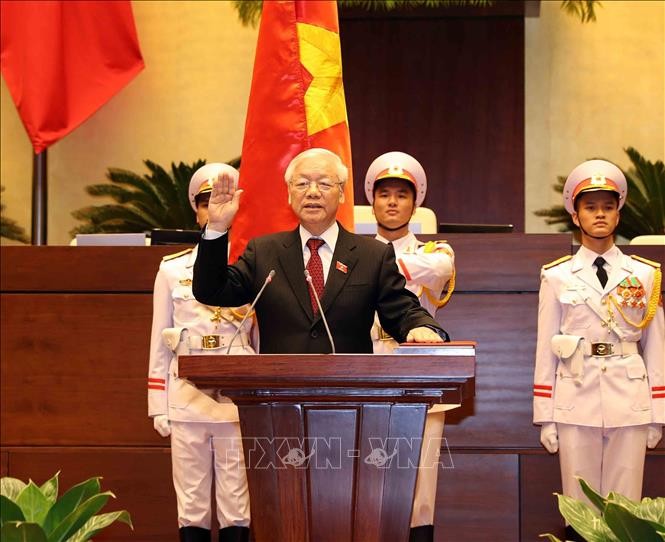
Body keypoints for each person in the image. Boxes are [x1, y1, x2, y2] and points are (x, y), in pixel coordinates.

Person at [192, 147, 449, 353]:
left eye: (324, 184)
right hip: (279, 396)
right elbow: (211, 290)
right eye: (302, 184)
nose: (313, 192)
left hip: (349, 396)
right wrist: (216, 227)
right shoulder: (264, 251)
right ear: (289, 194)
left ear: (341, 194)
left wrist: (422, 326)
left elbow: (402, 310)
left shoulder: (372, 255)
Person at [533, 159, 664, 541]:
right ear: (575, 215)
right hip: (576, 393)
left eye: (608, 206)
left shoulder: (644, 273)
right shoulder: (556, 275)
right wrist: (546, 414)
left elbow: (656, 345)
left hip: (630, 395)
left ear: (619, 213)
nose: (600, 214)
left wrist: (657, 411)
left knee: (626, 511)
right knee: (581, 511)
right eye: (590, 207)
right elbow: (545, 346)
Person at [148, 163, 254, 542]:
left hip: (236, 402)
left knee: (236, 505)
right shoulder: (173, 270)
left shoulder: (249, 265)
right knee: (191, 503)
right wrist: (158, 404)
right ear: (197, 210)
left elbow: (259, 342)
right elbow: (161, 339)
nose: (214, 208)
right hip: (187, 396)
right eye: (207, 202)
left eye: (222, 201)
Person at [365, 151, 455, 542]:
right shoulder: (348, 254)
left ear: (415, 203)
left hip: (417, 370)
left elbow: (434, 274)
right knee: (367, 476)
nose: (392, 202)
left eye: (402, 195)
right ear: (372, 202)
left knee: (420, 485)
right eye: (384, 194)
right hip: (363, 370)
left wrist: (366, 264)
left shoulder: (435, 254)